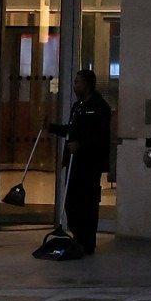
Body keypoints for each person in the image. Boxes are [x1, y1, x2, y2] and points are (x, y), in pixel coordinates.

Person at [47, 69, 113, 261]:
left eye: (78, 82)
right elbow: (71, 130)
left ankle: (87, 242)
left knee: (88, 203)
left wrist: (81, 145)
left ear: (87, 85)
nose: (75, 86)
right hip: (74, 162)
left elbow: (100, 136)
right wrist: (52, 128)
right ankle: (78, 236)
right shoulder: (77, 107)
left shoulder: (100, 107)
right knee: (71, 202)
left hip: (89, 163)